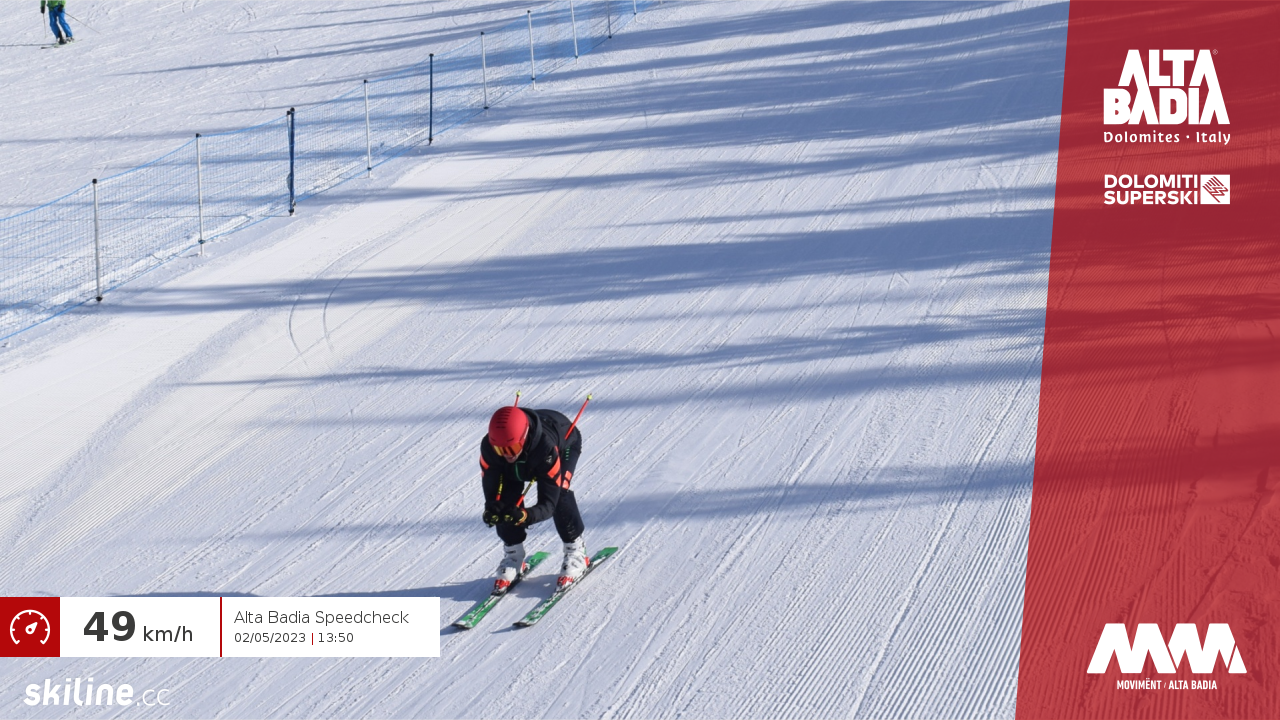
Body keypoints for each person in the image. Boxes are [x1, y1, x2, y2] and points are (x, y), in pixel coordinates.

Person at [479, 403, 588, 593]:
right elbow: (492, 490)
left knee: (560, 492)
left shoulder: (545, 449)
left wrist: (525, 516)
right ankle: (513, 554)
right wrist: (492, 509)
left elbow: (549, 504)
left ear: (523, 437)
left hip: (563, 442)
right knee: (503, 500)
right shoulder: (490, 448)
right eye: (500, 450)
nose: (506, 455)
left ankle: (576, 551)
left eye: (511, 448)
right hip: (527, 452)